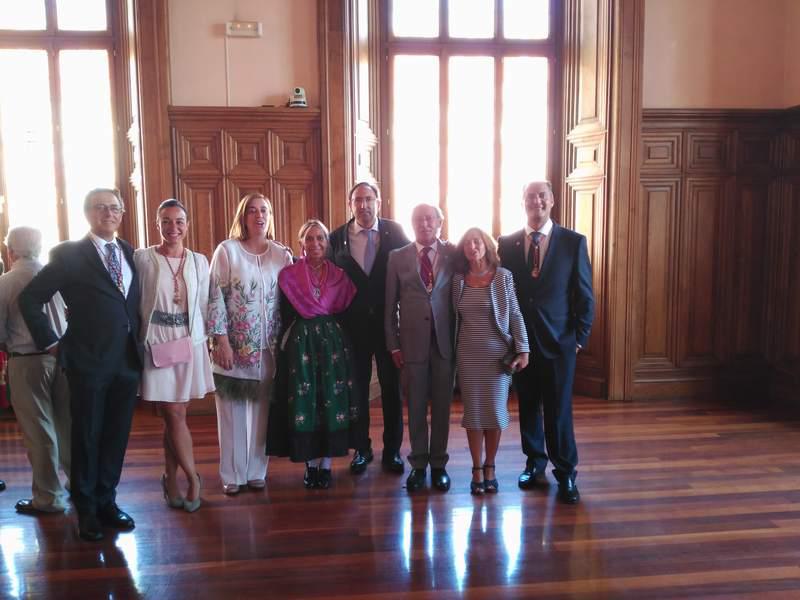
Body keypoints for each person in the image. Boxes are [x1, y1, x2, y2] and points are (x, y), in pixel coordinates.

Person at [20, 187, 143, 541]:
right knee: (87, 435)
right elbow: (31, 298)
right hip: (87, 361)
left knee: (116, 436)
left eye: (115, 208)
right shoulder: (70, 255)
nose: (109, 213)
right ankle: (86, 509)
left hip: (126, 360)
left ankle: (107, 500)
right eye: (100, 207)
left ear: (122, 214)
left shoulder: (130, 253)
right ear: (88, 213)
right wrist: (52, 343)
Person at [497, 181, 594, 504]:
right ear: (522, 201)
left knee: (558, 410)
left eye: (541, 196)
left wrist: (578, 339)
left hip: (560, 343)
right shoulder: (507, 243)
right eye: (529, 196)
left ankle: (566, 473)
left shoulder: (572, 242)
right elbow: (504, 296)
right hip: (522, 344)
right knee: (528, 407)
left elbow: (584, 295)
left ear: (551, 201)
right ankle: (534, 463)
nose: (535, 201)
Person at [207, 192, 292, 495]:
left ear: (270, 217)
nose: (259, 216)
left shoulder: (282, 254)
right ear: (243, 217)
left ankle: (257, 471)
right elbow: (214, 297)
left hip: (269, 350)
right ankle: (232, 474)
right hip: (234, 347)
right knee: (231, 414)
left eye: (264, 211)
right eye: (253, 211)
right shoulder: (227, 251)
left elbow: (289, 301)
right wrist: (221, 340)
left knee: (261, 413)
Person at [134, 199, 215, 513]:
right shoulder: (142, 258)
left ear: (187, 224)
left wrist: (213, 340)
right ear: (157, 224)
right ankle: (193, 478)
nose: (173, 228)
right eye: (166, 221)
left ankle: (170, 479)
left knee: (173, 416)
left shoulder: (199, 261)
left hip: (188, 342)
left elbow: (207, 302)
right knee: (173, 413)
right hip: (156, 341)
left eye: (179, 221)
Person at [267, 220, 358, 489]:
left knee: (330, 400)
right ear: (301, 244)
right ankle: (310, 465)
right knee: (305, 403)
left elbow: (347, 314)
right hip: (300, 345)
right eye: (309, 238)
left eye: (320, 238)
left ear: (327, 243)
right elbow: (282, 316)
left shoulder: (340, 276)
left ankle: (327, 465)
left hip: (332, 346)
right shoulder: (288, 275)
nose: (315, 243)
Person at [328, 182, 410, 475]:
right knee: (357, 390)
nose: (363, 205)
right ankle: (361, 449)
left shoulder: (396, 232)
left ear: (378, 202)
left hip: (389, 325)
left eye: (368, 199)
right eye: (357, 200)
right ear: (350, 204)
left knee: (391, 389)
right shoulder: (337, 237)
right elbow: (326, 279)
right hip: (352, 327)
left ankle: (393, 451)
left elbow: (410, 270)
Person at [452, 228, 529, 494]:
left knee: (495, 414)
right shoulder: (458, 279)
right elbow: (453, 317)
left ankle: (490, 465)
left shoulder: (503, 277)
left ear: (486, 245)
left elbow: (516, 313)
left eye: (477, 241)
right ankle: (476, 468)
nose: (472, 246)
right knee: (473, 414)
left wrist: (524, 349)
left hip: (498, 356)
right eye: (467, 243)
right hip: (468, 355)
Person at [384, 203, 455, 492]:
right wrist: (393, 345)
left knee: (442, 406)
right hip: (411, 344)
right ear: (411, 223)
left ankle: (438, 464)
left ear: (440, 222)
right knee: (414, 406)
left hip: (444, 342)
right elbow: (389, 306)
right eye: (418, 219)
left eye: (430, 219)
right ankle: (418, 464)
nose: (424, 224)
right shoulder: (397, 257)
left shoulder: (454, 253)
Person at [0, 226, 70, 514]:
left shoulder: (5, 282)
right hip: (65, 358)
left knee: (39, 431)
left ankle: (49, 497)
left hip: (27, 361)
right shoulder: (59, 277)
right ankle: (80, 485)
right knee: (69, 426)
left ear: (10, 251)